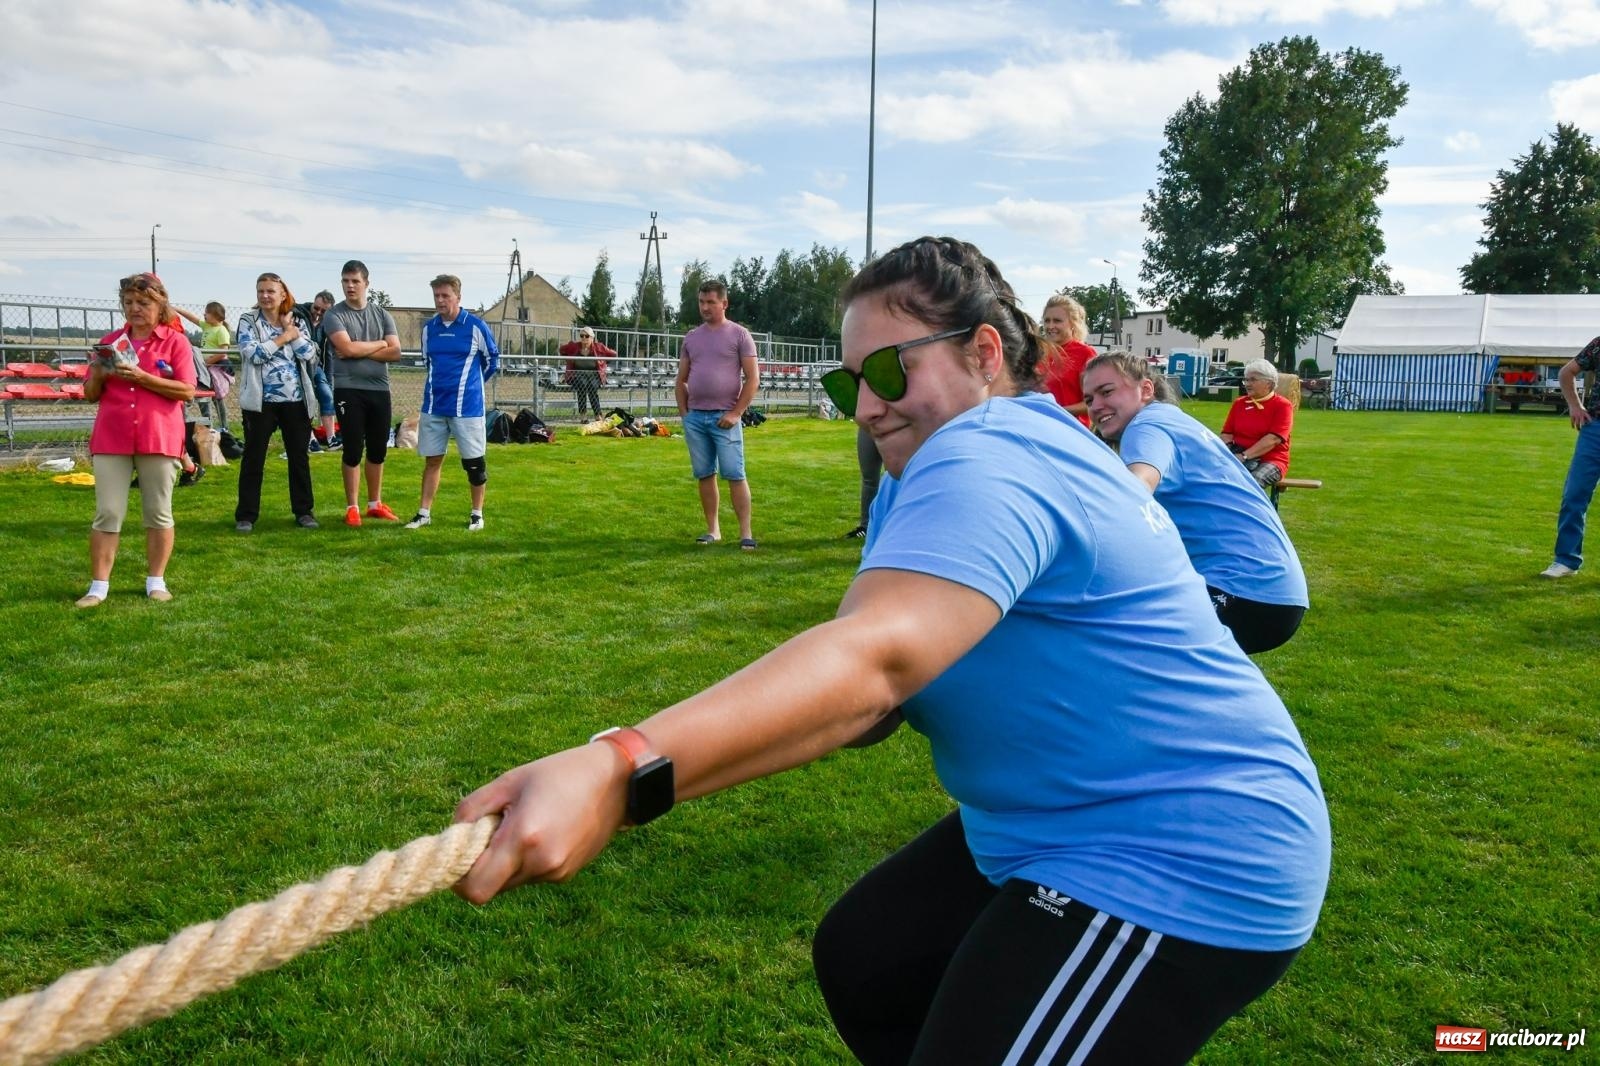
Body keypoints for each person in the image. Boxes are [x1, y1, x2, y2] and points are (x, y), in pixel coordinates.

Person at [454, 237, 1330, 1065]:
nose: (866, 404)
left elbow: (873, 665)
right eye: (848, 384)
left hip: (1179, 851)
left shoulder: (992, 446)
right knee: (867, 962)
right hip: (1045, 826)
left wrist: (622, 767)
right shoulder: (930, 474)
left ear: (986, 353)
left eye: (888, 369)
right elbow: (873, 699)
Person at [1082, 350, 1309, 653]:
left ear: (1146, 390)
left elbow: (1136, 487)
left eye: (1107, 391)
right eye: (1088, 399)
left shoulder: (1147, 426)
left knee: (1105, 642)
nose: (1097, 405)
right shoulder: (1175, 419)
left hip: (1245, 588)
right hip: (1273, 587)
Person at [78, 272, 196, 607]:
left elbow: (187, 390)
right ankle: (98, 587)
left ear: (160, 305)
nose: (135, 308)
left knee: (158, 512)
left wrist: (143, 377)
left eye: (143, 303)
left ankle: (156, 581)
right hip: (112, 436)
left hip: (158, 435)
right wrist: (99, 374)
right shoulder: (110, 342)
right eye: (128, 303)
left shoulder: (176, 342)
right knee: (107, 513)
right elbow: (89, 395)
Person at [406, 274, 500, 532]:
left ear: (458, 297)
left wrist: (473, 385)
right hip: (434, 407)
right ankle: (423, 513)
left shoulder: (476, 326)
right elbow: (428, 362)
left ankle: (477, 514)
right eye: (436, 295)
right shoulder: (429, 329)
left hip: (467, 409)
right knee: (432, 461)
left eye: (445, 295)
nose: (440, 300)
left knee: (474, 463)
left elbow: (492, 361)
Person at [674, 279, 759, 549]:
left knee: (735, 474)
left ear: (724, 303)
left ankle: (746, 533)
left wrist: (736, 412)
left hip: (725, 418)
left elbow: (753, 378)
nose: (705, 307)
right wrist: (685, 413)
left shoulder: (740, 335)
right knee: (704, 474)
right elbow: (681, 379)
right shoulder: (691, 338)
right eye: (701, 302)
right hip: (696, 418)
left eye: (711, 302)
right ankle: (713, 530)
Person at [233, 273, 320, 532]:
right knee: (253, 458)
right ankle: (246, 515)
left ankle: (304, 512)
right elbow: (253, 354)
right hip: (261, 402)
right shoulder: (248, 321)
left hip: (295, 400)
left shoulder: (296, 320)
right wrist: (284, 337)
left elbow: (310, 354)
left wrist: (293, 333)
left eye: (271, 291)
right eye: (261, 291)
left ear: (283, 294)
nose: (265, 296)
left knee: (299, 458)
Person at [322, 261, 402, 526]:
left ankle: (374, 504)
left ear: (366, 283)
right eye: (345, 281)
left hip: (379, 389)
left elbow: (395, 352)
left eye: (355, 281)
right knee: (354, 449)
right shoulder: (334, 315)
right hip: (348, 389)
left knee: (378, 449)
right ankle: (353, 506)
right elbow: (346, 348)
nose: (349, 286)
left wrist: (363, 347)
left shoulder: (382, 315)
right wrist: (379, 344)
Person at [1539, 335, 1600, 578]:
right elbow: (1567, 372)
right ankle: (1566, 560)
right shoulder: (1598, 345)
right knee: (1574, 494)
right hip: (1595, 429)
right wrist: (1575, 405)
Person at [1220, 359, 1294, 489]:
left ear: (1269, 383)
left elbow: (1273, 439)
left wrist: (1245, 456)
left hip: (1271, 459)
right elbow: (1226, 434)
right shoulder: (1239, 404)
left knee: (1252, 482)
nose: (1247, 384)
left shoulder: (1282, 406)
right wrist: (1228, 453)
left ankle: (1251, 509)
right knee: (1217, 476)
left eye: (1253, 380)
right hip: (1238, 455)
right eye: (1246, 380)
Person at [292, 289, 341, 451]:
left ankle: (331, 438)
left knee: (327, 395)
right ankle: (310, 439)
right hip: (299, 366)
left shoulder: (328, 325)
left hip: (317, 365)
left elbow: (328, 354)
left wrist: (328, 378)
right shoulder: (299, 312)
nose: (318, 313)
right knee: (306, 400)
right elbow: (284, 306)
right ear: (312, 303)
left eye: (323, 311)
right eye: (316, 308)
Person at [175, 300, 233, 432]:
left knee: (217, 398)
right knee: (204, 394)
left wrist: (207, 362)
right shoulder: (207, 327)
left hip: (215, 367)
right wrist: (177, 309)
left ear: (215, 315)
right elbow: (192, 318)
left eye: (207, 312)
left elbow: (224, 351)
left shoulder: (221, 330)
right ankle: (208, 425)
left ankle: (224, 426)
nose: (204, 315)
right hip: (206, 367)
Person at [1039, 292, 1095, 427]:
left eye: (1057, 321)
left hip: (1071, 430)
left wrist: (1059, 411)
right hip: (1040, 427)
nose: (1050, 326)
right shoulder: (1040, 352)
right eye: (1047, 320)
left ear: (1073, 324)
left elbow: (1094, 403)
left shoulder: (1085, 354)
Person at [559, 326, 612, 418]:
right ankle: (583, 414)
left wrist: (603, 362)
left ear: (592, 337)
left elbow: (613, 354)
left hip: (594, 374)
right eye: (582, 335)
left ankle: (597, 414)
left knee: (592, 386)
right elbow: (562, 349)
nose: (584, 338)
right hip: (577, 374)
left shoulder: (599, 347)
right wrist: (569, 359)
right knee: (582, 385)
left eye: (586, 336)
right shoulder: (574, 346)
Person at [844, 424, 881, 539]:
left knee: (894, 478)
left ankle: (894, 526)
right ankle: (865, 526)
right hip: (868, 425)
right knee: (869, 479)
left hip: (895, 424)